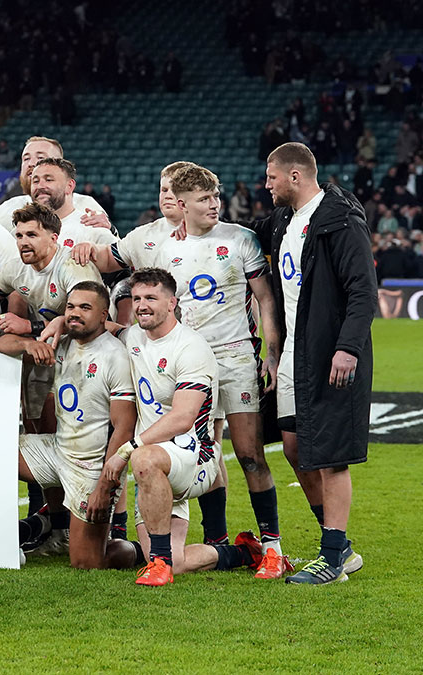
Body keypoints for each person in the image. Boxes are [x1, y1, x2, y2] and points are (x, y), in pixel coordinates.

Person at [71, 163, 290, 578]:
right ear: (184, 204)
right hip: (183, 361)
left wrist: (271, 351)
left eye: (215, 197)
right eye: (205, 199)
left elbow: (264, 298)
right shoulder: (159, 244)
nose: (214, 205)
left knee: (248, 454)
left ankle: (272, 545)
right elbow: (107, 258)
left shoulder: (239, 238)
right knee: (207, 447)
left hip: (234, 357)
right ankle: (220, 539)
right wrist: (87, 242)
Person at [256, 142, 376, 585]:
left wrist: (348, 347)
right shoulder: (284, 221)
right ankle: (339, 545)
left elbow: (363, 291)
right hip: (293, 353)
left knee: (331, 456)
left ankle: (331, 558)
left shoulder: (340, 220)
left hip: (330, 354)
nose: (265, 184)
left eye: (271, 176)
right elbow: (243, 233)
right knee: (294, 447)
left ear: (294, 176)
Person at [102, 268, 265, 586]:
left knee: (144, 458)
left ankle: (158, 565)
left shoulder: (191, 347)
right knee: (178, 560)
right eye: (136, 298)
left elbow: (182, 418)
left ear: (172, 302)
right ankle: (242, 553)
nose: (142, 305)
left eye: (151, 297)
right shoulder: (133, 336)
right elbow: (103, 326)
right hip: (156, 467)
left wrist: (126, 450)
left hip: (196, 459)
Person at [7, 282, 144, 569]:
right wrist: (27, 344)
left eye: (85, 308)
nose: (75, 313)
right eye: (70, 307)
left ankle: (147, 550)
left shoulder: (115, 357)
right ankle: (14, 534)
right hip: (56, 451)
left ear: (104, 314)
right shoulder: (62, 344)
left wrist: (105, 487)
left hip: (91, 467)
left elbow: (123, 428)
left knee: (87, 563)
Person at [0, 202, 103, 427]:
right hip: (52, 347)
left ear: (53, 238)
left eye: (31, 234)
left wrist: (29, 327)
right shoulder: (16, 269)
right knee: (2, 345)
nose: (23, 242)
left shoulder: (72, 266)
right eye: (19, 236)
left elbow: (89, 319)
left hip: (90, 349)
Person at [0, 136, 105, 230]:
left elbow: (111, 251)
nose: (31, 163)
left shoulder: (85, 206)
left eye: (40, 157)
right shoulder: (7, 208)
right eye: (26, 158)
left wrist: (109, 229)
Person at [29, 158, 117, 248]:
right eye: (35, 181)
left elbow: (123, 259)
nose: (40, 186)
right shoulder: (22, 231)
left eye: (48, 180)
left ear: (69, 186)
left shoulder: (90, 228)